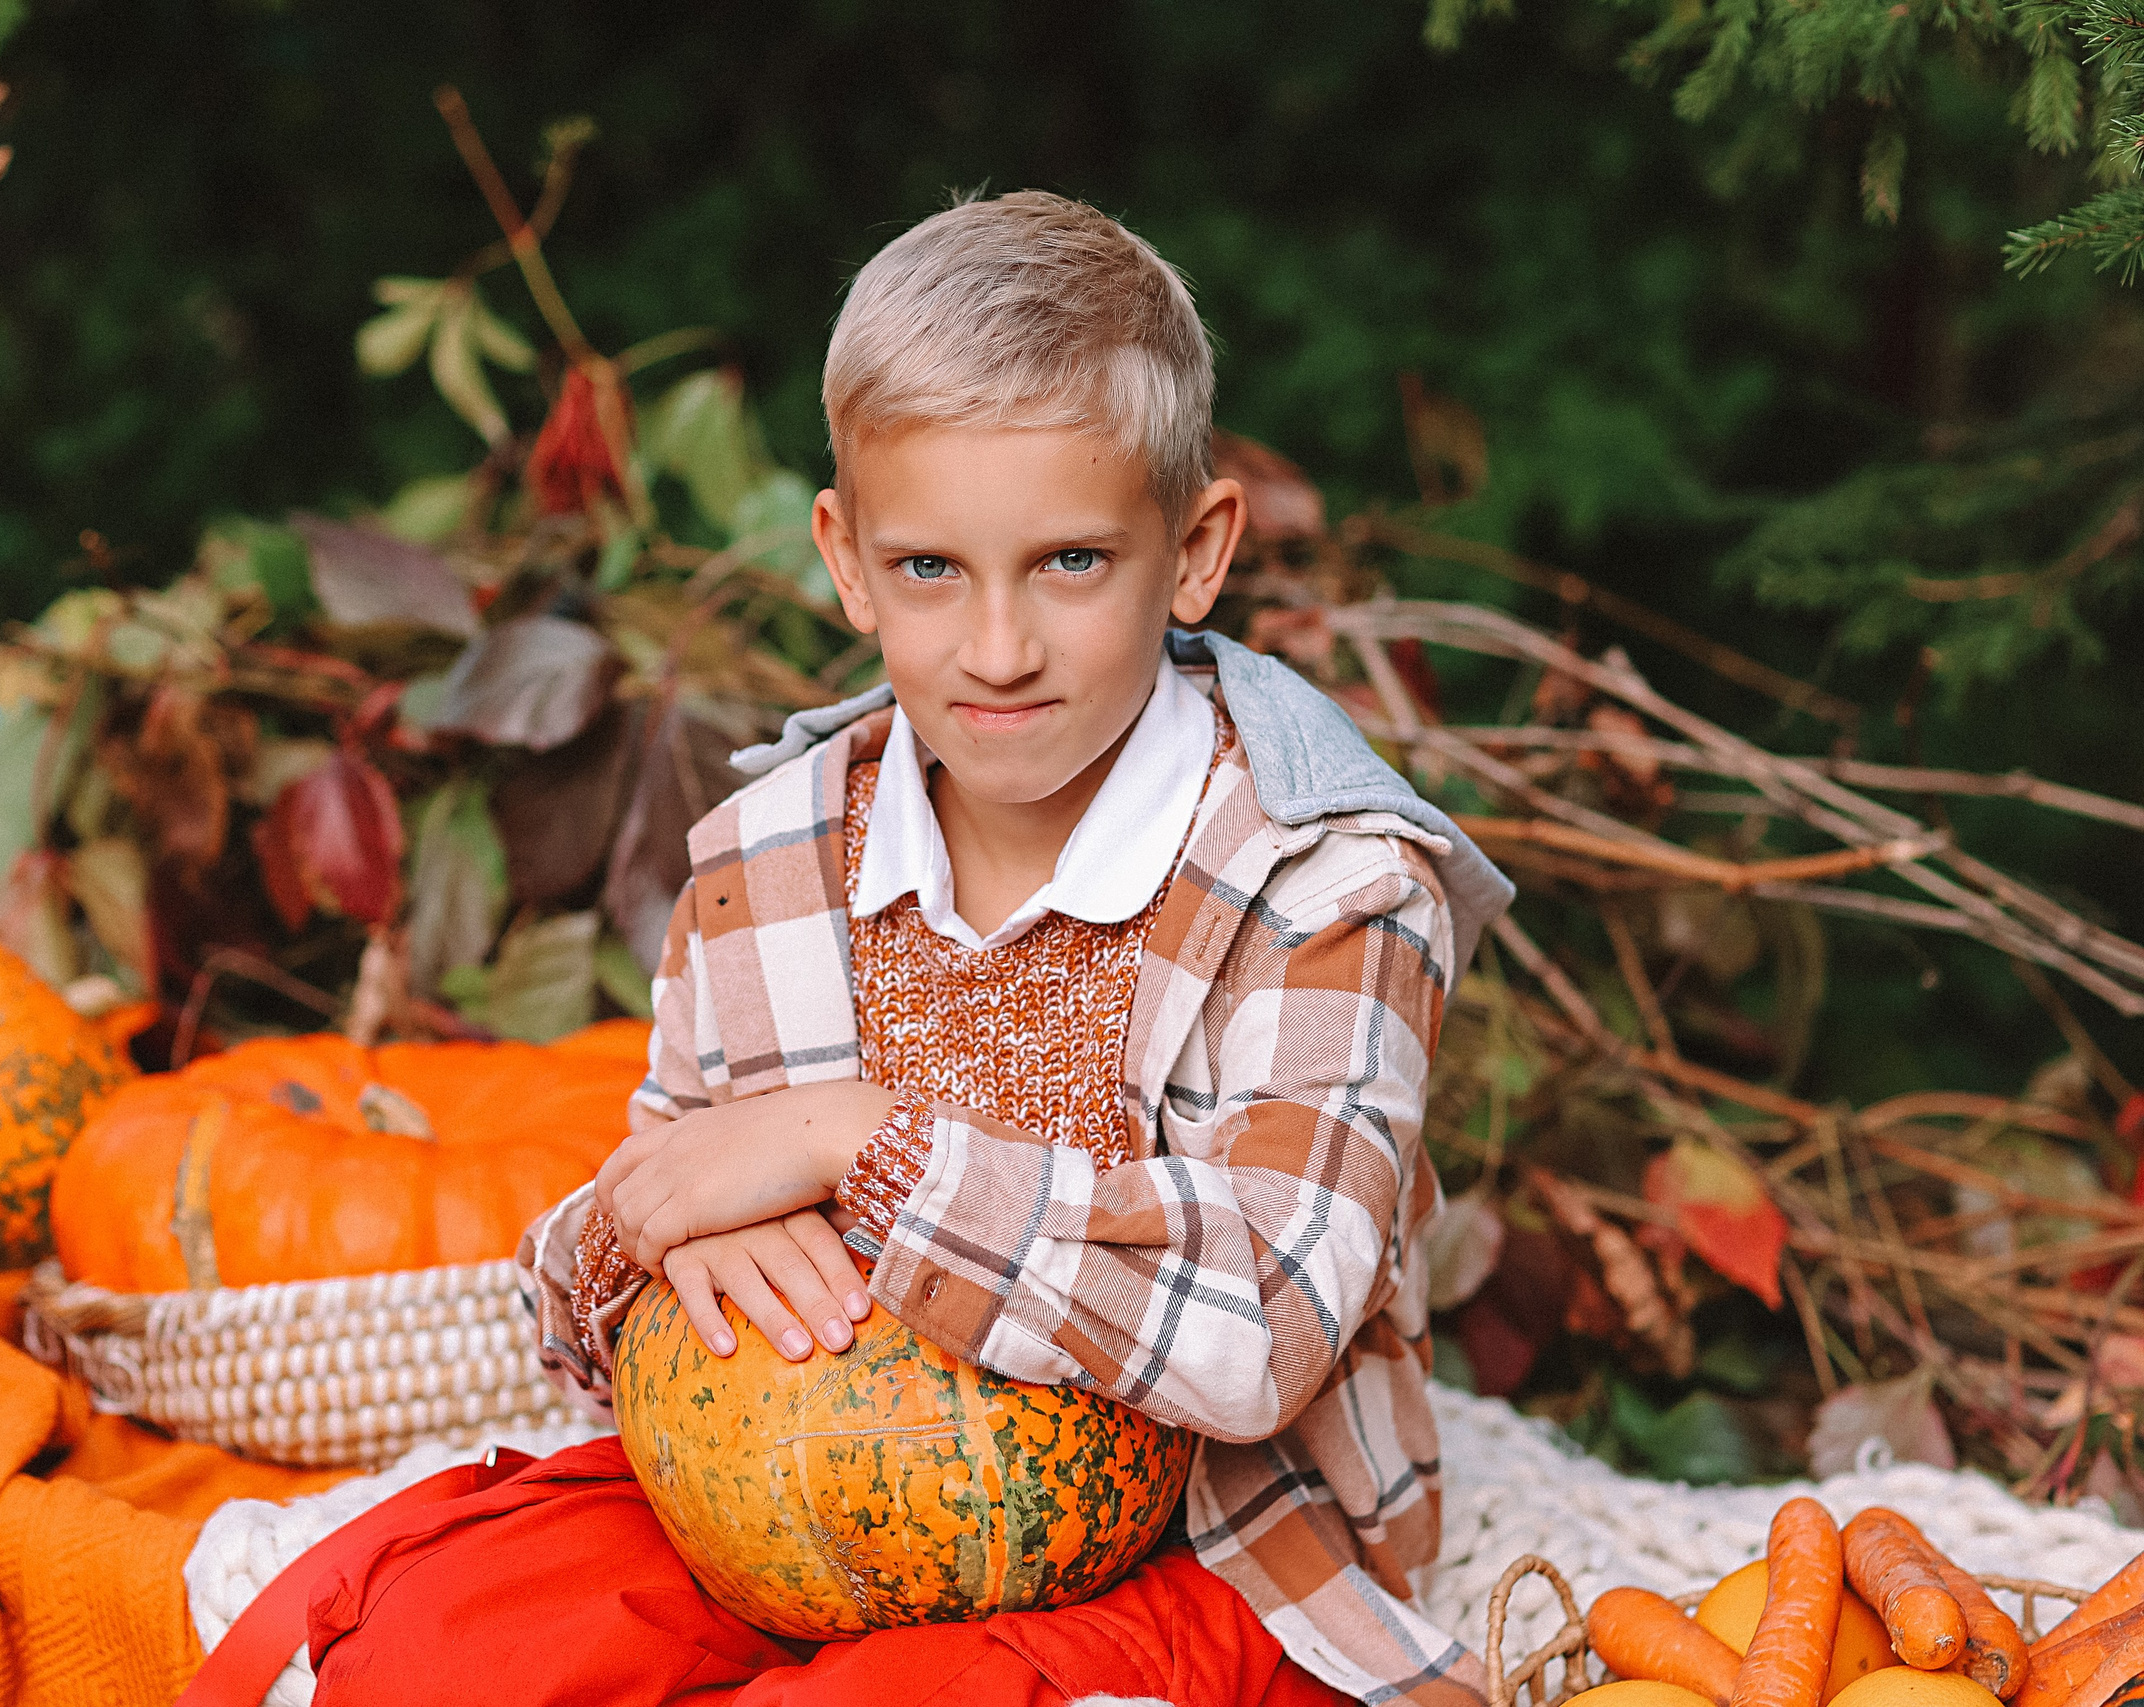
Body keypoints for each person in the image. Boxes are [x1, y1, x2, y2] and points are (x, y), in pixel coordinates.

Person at [306, 190, 1513, 1707]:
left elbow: (1262, 1333)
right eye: (932, 569)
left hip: (1206, 1543)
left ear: (1196, 552)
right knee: (435, 1634)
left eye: (1071, 563)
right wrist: (665, 1234)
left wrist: (852, 1143)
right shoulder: (773, 857)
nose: (997, 649)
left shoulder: (1327, 884)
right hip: (800, 1503)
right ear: (849, 561)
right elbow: (596, 1277)